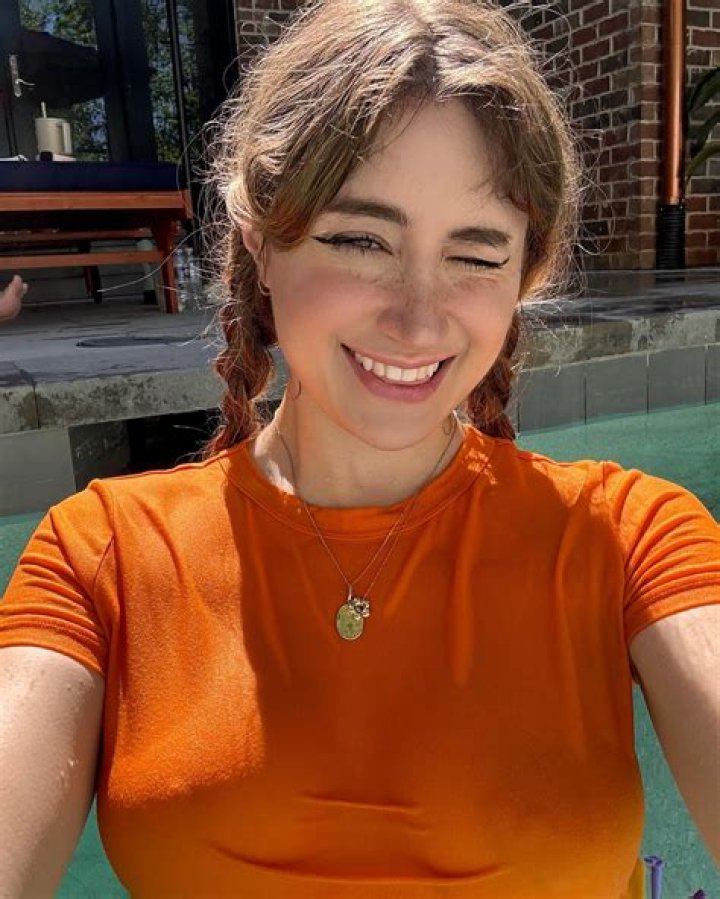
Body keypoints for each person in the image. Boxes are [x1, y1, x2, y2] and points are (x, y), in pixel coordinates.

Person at [0, 0, 718, 896]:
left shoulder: (627, 538)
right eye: (360, 240)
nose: (418, 320)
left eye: (476, 254)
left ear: (523, 275)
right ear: (262, 242)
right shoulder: (102, 554)